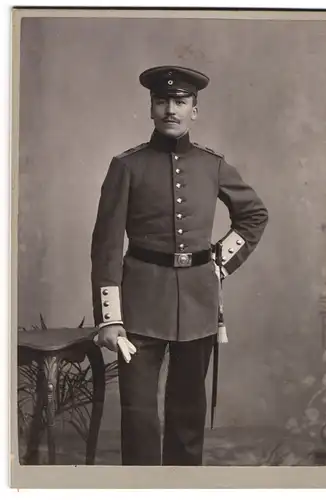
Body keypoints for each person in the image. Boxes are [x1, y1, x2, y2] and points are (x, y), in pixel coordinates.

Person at [91, 65, 269, 466]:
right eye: (162, 101)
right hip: (139, 305)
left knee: (188, 411)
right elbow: (105, 245)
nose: (171, 109)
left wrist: (217, 265)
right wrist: (109, 317)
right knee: (138, 413)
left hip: (197, 304)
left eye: (180, 101)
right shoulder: (127, 166)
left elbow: (254, 215)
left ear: (194, 110)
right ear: (151, 109)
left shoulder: (212, 165)